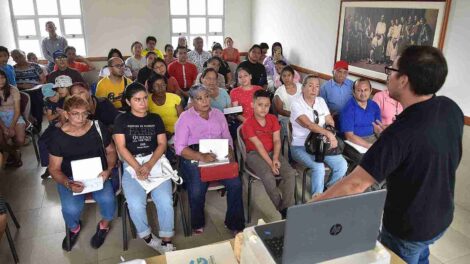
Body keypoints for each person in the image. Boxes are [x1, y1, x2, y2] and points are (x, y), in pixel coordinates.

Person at [312, 45, 463, 264]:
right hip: (442, 215)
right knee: (422, 255)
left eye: (391, 70)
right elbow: (442, 157)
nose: (388, 76)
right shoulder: (450, 108)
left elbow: (355, 185)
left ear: (404, 80)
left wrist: (318, 202)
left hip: (409, 228)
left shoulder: (400, 133)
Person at [48, 95, 117, 251]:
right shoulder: (58, 137)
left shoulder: (98, 127)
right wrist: (67, 183)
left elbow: (111, 151)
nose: (81, 118)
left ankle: (104, 226)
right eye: (75, 113)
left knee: (108, 199)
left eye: (84, 113)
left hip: (98, 174)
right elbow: (54, 168)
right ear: (66, 114)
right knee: (71, 209)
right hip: (70, 177)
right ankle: (74, 228)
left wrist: (109, 169)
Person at [113, 82, 175, 254]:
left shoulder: (155, 119)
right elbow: (121, 148)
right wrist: (138, 167)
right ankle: (148, 237)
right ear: (128, 101)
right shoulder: (121, 120)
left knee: (165, 200)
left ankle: (166, 240)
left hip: (155, 161)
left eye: (145, 98)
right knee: (135, 202)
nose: (143, 103)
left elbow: (162, 144)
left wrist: (148, 165)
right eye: (137, 99)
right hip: (131, 163)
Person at [175, 84, 245, 234]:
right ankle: (197, 222)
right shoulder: (185, 118)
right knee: (197, 189)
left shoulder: (218, 114)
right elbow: (180, 148)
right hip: (194, 154)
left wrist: (230, 153)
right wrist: (201, 156)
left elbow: (227, 138)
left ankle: (234, 223)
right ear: (192, 101)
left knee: (236, 183)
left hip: (218, 151)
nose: (205, 101)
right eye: (199, 98)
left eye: (206, 96)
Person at [241, 90, 296, 219]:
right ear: (252, 105)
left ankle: (288, 208)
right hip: (255, 154)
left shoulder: (272, 119)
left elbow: (277, 140)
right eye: (260, 104)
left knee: (290, 173)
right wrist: (271, 163)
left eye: (266, 105)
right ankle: (281, 208)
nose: (263, 108)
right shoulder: (247, 123)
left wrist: (275, 158)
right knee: (268, 176)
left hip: (272, 152)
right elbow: (258, 146)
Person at [290, 75, 347, 196]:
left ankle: (329, 190)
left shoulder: (320, 101)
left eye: (317, 86)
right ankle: (317, 198)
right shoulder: (296, 104)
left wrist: (329, 132)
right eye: (310, 86)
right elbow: (309, 125)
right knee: (319, 168)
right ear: (303, 87)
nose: (314, 89)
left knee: (342, 165)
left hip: (321, 144)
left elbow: (329, 120)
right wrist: (328, 134)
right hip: (301, 146)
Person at [340, 78, 381, 151]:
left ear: (371, 90)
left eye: (366, 90)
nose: (363, 93)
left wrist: (380, 133)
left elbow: (378, 128)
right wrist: (368, 146)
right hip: (355, 142)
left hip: (373, 138)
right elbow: (349, 136)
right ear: (353, 92)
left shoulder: (374, 105)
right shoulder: (348, 109)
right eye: (359, 90)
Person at [11, 49, 46, 130]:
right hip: (20, 91)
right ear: (13, 59)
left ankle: (37, 123)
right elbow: (11, 84)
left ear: (24, 54)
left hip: (35, 89)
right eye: (16, 57)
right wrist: (22, 86)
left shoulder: (35, 66)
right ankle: (25, 124)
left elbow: (43, 80)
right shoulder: (12, 69)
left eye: (20, 56)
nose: (19, 58)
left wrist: (35, 85)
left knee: (36, 98)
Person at [0, 68, 25, 167]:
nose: (0, 81)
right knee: (1, 141)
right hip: (0, 118)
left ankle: (12, 152)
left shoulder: (13, 89)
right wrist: (4, 128)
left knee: (20, 140)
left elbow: (17, 111)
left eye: (2, 78)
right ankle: (14, 153)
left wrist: (11, 127)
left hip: (14, 115)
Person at [273, 66, 302, 136]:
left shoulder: (300, 87)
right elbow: (280, 110)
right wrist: (294, 115)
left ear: (293, 76)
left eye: (289, 75)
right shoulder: (280, 91)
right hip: (286, 118)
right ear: (281, 77)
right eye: (284, 76)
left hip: (301, 115)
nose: (286, 78)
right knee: (291, 132)